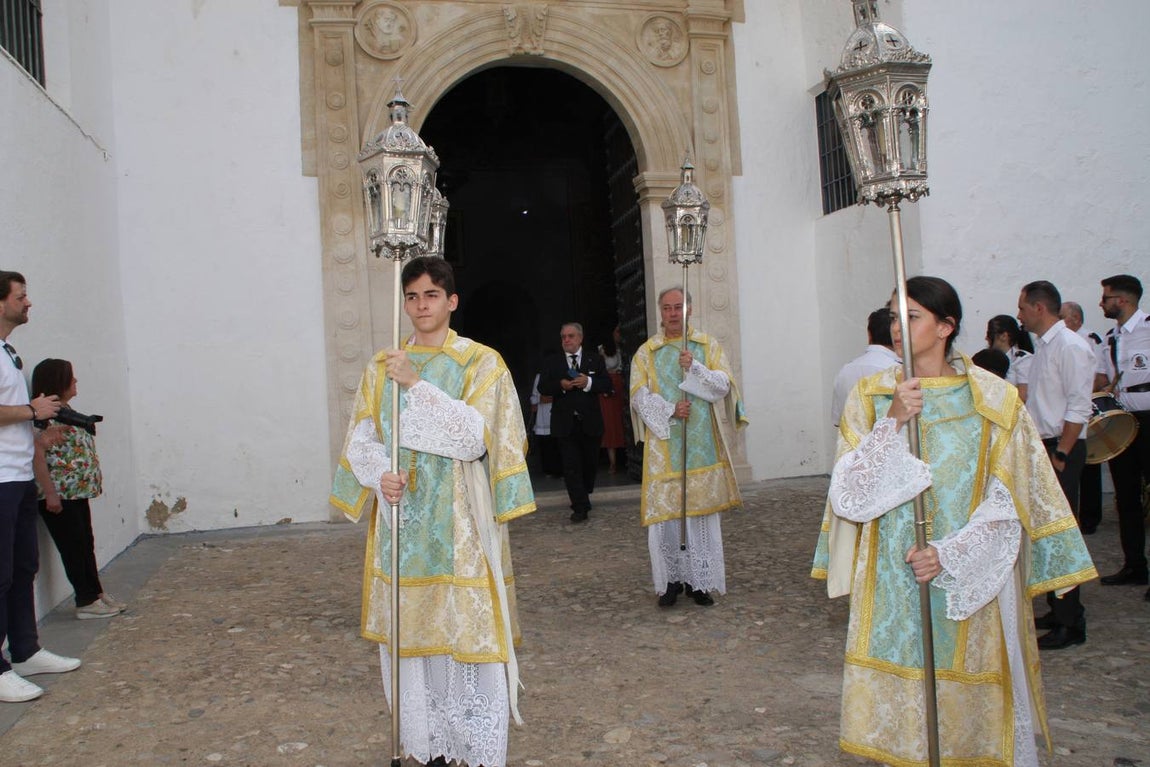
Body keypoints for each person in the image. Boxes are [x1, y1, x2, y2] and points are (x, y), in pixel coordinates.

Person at [812, 276, 1096, 766]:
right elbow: (849, 497)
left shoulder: (994, 399)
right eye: (893, 316)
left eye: (913, 316)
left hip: (974, 574)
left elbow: (1011, 499)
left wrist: (950, 553)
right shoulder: (871, 395)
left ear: (946, 326)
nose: (898, 327)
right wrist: (893, 422)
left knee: (971, 720)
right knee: (905, 718)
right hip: (893, 577)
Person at [329, 257, 535, 767]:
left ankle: (474, 751)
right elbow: (362, 437)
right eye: (413, 297)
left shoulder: (480, 362)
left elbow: (472, 439)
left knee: (463, 636)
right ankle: (429, 746)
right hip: (403, 525)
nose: (422, 306)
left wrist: (416, 384)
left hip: (460, 522)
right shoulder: (382, 367)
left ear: (452, 301)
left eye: (432, 296)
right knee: (414, 641)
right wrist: (380, 474)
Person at [630, 287, 747, 607]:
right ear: (660, 312)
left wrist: (695, 367)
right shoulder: (646, 352)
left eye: (678, 307)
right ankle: (670, 581)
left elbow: (723, 386)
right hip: (664, 447)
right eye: (666, 308)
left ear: (689, 310)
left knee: (699, 516)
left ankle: (699, 581)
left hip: (701, 445)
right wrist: (670, 409)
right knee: (668, 518)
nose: (671, 313)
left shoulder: (705, 346)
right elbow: (638, 395)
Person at [0, 271, 82, 704]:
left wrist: (33, 422)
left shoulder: (8, 351)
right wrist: (30, 410)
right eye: (21, 296)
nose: (28, 303)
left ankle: (26, 651)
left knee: (22, 569)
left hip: (16, 475)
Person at [1016, 280, 1095, 649]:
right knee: (1044, 531)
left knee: (1061, 532)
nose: (1019, 315)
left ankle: (1071, 621)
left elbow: (1079, 405)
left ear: (1039, 308)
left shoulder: (1071, 346)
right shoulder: (1045, 346)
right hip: (1045, 446)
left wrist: (1061, 452)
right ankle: (1056, 605)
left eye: (1022, 308)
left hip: (1060, 449)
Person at [31, 359, 124, 620]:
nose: (75, 382)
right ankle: (85, 601)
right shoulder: (44, 417)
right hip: (60, 494)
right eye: (71, 378)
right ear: (58, 382)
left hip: (76, 492)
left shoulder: (66, 411)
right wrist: (49, 493)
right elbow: (37, 454)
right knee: (73, 546)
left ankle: (95, 593)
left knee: (85, 544)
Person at [1095, 274, 1150, 600]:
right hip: (1124, 420)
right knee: (1126, 496)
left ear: (1123, 300)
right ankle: (1134, 564)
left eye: (1106, 298)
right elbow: (1105, 378)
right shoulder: (1111, 338)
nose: (1102, 303)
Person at [538, 322, 611, 523]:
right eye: (563, 337)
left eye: (570, 336)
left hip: (590, 422)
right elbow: (543, 386)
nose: (566, 340)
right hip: (565, 423)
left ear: (580, 338)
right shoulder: (553, 362)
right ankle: (579, 506)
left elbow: (607, 384)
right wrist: (560, 385)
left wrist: (588, 382)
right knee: (571, 466)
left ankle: (584, 494)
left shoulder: (594, 359)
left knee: (589, 464)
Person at [1060, 300, 1105, 534]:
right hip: (1070, 414)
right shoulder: (1058, 341)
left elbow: (1099, 377)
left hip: (1083, 409)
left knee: (1090, 469)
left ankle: (1090, 517)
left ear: (1076, 319)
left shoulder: (1088, 340)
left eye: (1063, 316)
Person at [830, 306, 900, 426]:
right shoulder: (900, 372)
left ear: (869, 334)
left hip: (853, 443)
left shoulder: (846, 370)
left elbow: (838, 422)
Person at [598, 326, 626, 473]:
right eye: (617, 332)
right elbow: (601, 370)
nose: (620, 335)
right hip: (609, 386)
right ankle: (612, 462)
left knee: (622, 421)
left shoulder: (622, 348)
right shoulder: (602, 350)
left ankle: (626, 459)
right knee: (610, 423)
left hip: (620, 385)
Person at [986, 314, 1034, 400]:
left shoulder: (1023, 360)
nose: (986, 338)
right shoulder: (986, 358)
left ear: (1004, 336)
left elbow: (1023, 396)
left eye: (990, 333)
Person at [528, 372, 561, 478]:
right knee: (547, 445)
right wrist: (540, 399)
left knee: (560, 444)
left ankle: (561, 471)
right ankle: (548, 470)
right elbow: (534, 397)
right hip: (544, 417)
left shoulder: (563, 373)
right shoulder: (540, 376)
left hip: (559, 416)